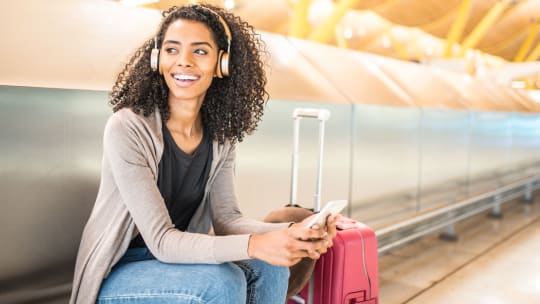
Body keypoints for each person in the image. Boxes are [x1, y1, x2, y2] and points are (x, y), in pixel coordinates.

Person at [69, 4, 337, 304]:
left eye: (199, 51)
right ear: (157, 58)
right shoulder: (128, 127)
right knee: (221, 283)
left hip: (175, 263)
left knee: (270, 268)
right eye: (172, 49)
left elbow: (227, 220)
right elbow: (161, 241)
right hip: (120, 272)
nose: (183, 62)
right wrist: (255, 244)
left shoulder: (220, 135)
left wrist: (292, 231)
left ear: (221, 63)